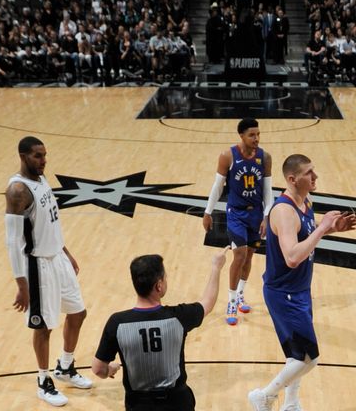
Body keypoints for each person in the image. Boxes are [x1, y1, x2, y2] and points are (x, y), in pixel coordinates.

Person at [248, 154, 355, 410]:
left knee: (296, 354)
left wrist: (331, 228)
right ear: (292, 179)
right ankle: (263, 396)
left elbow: (305, 232)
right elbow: (293, 257)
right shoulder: (283, 211)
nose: (315, 177)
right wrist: (321, 230)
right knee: (310, 358)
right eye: (309, 173)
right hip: (283, 293)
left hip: (299, 290)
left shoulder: (305, 201)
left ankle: (291, 403)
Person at [5, 136, 93, 407]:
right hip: (38, 266)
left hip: (57, 258)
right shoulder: (18, 191)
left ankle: (64, 366)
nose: (43, 160)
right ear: (22, 156)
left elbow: (50, 221)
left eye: (44, 155)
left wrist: (66, 251)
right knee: (43, 327)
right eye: (37, 156)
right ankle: (43, 380)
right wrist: (22, 285)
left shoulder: (41, 179)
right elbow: (13, 242)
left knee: (78, 312)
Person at [92, 248, 229, 410]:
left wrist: (110, 370)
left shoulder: (117, 323)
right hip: (177, 403)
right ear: (159, 286)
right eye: (165, 278)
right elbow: (208, 302)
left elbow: (98, 369)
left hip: (139, 405)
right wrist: (216, 267)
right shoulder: (178, 317)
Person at [202, 118, 272, 325]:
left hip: (256, 213)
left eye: (258, 134)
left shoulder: (265, 157)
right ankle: (231, 302)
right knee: (239, 255)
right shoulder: (227, 156)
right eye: (252, 135)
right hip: (236, 213)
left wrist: (267, 216)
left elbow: (268, 190)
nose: (256, 138)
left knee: (249, 256)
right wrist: (208, 212)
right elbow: (217, 187)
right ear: (241, 135)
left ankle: (241, 293)